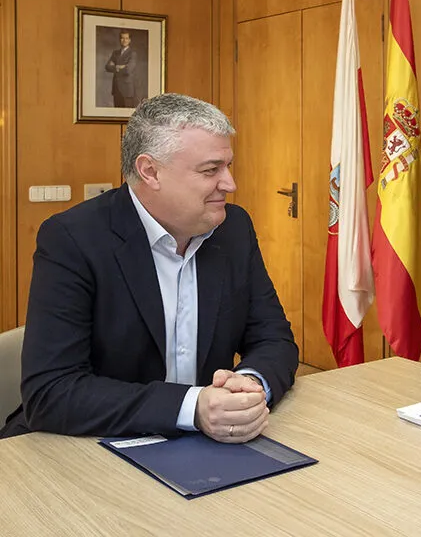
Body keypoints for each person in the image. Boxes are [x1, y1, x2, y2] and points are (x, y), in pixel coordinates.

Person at [0, 93, 299, 443]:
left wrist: (250, 383)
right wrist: (192, 407)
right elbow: (51, 392)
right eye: (210, 170)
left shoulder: (233, 229)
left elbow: (273, 337)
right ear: (150, 171)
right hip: (82, 446)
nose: (230, 184)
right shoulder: (73, 238)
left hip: (203, 447)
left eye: (227, 166)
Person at [104, 29, 138, 108]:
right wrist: (119, 66)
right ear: (120, 40)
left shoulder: (132, 53)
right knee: (117, 113)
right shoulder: (115, 53)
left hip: (127, 89)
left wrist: (115, 66)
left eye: (126, 38)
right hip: (116, 88)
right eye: (122, 38)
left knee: (126, 116)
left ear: (129, 40)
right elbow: (107, 67)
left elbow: (128, 70)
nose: (124, 40)